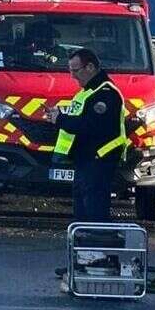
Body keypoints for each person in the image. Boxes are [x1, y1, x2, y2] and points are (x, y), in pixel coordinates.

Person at [45, 47, 127, 222]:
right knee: (83, 208)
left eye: (75, 70)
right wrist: (60, 116)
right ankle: (86, 243)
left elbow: (91, 126)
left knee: (94, 209)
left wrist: (61, 119)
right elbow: (80, 119)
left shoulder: (105, 93)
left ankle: (97, 243)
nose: (72, 76)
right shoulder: (87, 92)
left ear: (90, 67)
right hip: (86, 159)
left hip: (99, 157)